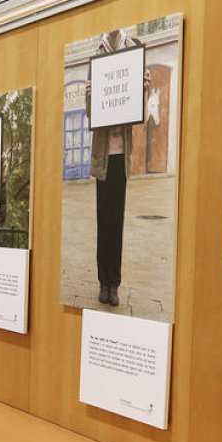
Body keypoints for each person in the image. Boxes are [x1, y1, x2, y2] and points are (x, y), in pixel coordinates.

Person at [84, 28, 152, 307]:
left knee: (117, 222)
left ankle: (115, 283)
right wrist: (89, 96)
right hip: (103, 158)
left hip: (120, 156)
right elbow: (91, 113)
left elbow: (141, 117)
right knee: (104, 222)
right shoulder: (97, 55)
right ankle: (103, 282)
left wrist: (145, 91)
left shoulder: (133, 48)